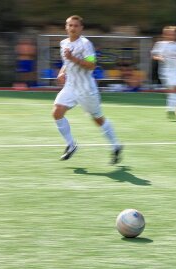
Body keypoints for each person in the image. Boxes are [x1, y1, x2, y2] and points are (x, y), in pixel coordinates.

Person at [52, 15, 123, 164]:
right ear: (66, 27)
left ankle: (116, 145)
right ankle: (71, 145)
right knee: (57, 112)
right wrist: (62, 72)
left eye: (76, 26)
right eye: (70, 25)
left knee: (97, 119)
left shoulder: (85, 44)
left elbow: (92, 65)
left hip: (86, 88)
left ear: (81, 28)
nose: (72, 28)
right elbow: (66, 62)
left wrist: (73, 58)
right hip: (71, 85)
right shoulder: (63, 43)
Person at [151, 26, 176, 118]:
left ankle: (172, 109)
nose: (171, 35)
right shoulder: (160, 44)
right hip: (165, 71)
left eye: (173, 34)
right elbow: (154, 55)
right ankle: (173, 108)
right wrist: (161, 58)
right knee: (174, 89)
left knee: (175, 89)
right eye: (168, 33)